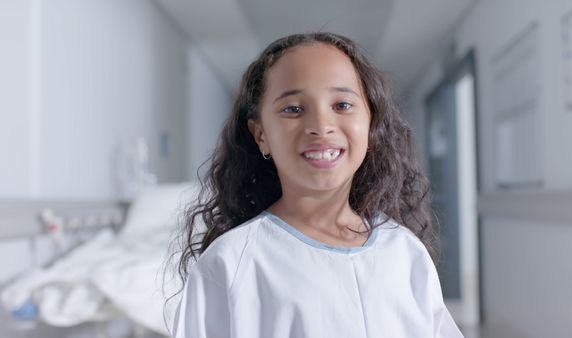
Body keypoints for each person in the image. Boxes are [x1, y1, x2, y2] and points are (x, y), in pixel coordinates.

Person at [171, 32, 464, 338]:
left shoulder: (404, 252)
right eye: (293, 109)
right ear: (261, 135)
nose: (321, 126)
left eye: (342, 105)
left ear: (370, 124)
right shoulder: (230, 263)